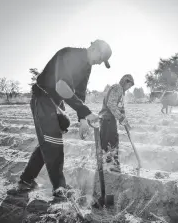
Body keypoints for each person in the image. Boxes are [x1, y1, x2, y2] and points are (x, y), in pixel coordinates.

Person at [18, 40, 112, 198]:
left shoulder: (87, 68)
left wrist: (83, 120)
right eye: (100, 58)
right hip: (42, 97)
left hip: (55, 103)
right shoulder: (69, 55)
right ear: (93, 48)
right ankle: (59, 188)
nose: (99, 63)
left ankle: (26, 180)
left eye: (103, 62)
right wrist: (86, 112)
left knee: (50, 137)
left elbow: (80, 94)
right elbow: (61, 86)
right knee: (53, 140)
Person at [99, 74, 135, 173]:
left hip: (110, 120)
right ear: (125, 81)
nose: (129, 88)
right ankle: (109, 166)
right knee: (110, 143)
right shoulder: (118, 88)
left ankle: (112, 165)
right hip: (107, 119)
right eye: (129, 85)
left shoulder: (121, 91)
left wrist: (125, 120)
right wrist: (121, 118)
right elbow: (111, 104)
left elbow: (120, 108)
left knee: (112, 142)